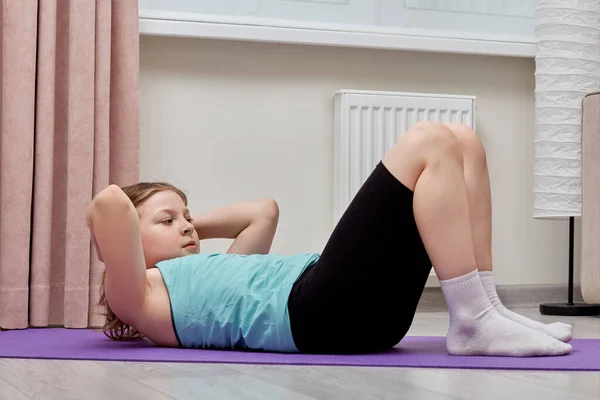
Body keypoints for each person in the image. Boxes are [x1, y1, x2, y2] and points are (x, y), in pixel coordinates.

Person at [87, 121, 573, 357]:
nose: (189, 226)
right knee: (429, 142)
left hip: (348, 310)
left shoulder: (214, 272)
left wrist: (186, 224)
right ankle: (472, 321)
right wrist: (127, 237)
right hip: (316, 312)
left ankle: (484, 305)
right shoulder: (143, 299)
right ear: (123, 244)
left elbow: (263, 212)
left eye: (186, 217)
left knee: (462, 141)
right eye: (166, 221)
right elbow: (107, 204)